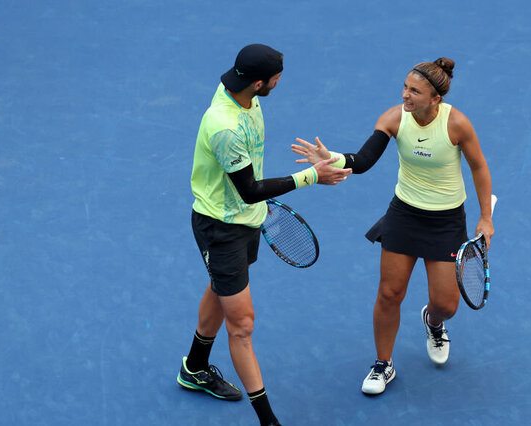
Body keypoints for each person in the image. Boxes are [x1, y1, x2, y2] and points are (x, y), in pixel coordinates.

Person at [292, 57, 494, 395]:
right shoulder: (394, 118)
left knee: (446, 305)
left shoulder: (457, 124)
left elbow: (480, 168)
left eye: (414, 91)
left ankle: (432, 321)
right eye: (405, 87)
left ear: (436, 99)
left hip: (446, 221)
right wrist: (333, 159)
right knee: (389, 293)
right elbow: (364, 160)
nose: (405, 95)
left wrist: (485, 216)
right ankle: (383, 364)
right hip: (404, 216)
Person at [178, 43, 352, 425]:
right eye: (276, 78)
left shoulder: (243, 96)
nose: (279, 83)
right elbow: (249, 189)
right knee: (242, 325)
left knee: (221, 287)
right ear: (258, 83)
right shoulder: (224, 126)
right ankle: (269, 420)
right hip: (221, 226)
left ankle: (194, 366)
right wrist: (312, 177)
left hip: (246, 220)